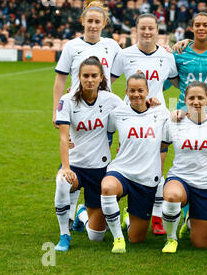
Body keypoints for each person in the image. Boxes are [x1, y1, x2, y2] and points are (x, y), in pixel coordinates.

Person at [52, 1, 121, 227]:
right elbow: (60, 78)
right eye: (89, 21)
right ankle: (71, 213)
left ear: (104, 24)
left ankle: (86, 208)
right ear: (83, 22)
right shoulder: (72, 46)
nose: (93, 25)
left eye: (97, 22)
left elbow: (117, 72)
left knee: (99, 159)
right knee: (74, 158)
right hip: (77, 111)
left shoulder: (112, 46)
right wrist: (56, 110)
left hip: (103, 113)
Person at [110, 13, 179, 235]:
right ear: (136, 30)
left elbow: (178, 82)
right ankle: (126, 212)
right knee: (128, 164)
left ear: (158, 31)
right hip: (130, 118)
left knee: (156, 169)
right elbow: (108, 83)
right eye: (143, 28)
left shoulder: (167, 57)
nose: (147, 32)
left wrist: (175, 107)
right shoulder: (125, 54)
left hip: (157, 119)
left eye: (151, 28)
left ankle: (157, 216)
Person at [169, 12, 207, 234]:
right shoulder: (180, 52)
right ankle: (187, 215)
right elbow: (168, 81)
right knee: (186, 161)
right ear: (192, 28)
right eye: (198, 25)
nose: (201, 28)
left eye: (206, 24)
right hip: (183, 114)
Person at [54, 56, 123, 251]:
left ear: (102, 77)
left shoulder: (111, 100)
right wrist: (66, 168)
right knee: (62, 181)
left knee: (96, 237)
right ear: (79, 77)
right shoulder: (67, 101)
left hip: (99, 168)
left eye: (94, 75)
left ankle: (82, 214)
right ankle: (64, 235)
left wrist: (152, 104)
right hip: (75, 165)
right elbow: (62, 138)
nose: (90, 79)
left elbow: (133, 112)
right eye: (86, 76)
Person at [100, 72, 170, 253]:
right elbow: (104, 135)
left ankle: (128, 218)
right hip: (121, 171)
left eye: (140, 90)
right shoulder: (117, 113)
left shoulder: (161, 112)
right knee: (107, 187)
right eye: (132, 91)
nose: (136, 94)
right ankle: (117, 238)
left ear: (147, 91)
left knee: (137, 239)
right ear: (126, 92)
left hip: (146, 179)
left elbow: (174, 132)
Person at [161, 81, 207, 253]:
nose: (196, 102)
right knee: (172, 196)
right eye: (191, 98)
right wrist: (158, 172)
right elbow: (162, 146)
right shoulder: (174, 122)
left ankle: (190, 218)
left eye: (200, 97)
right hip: (180, 177)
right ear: (185, 99)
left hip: (205, 182)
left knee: (202, 244)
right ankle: (171, 239)